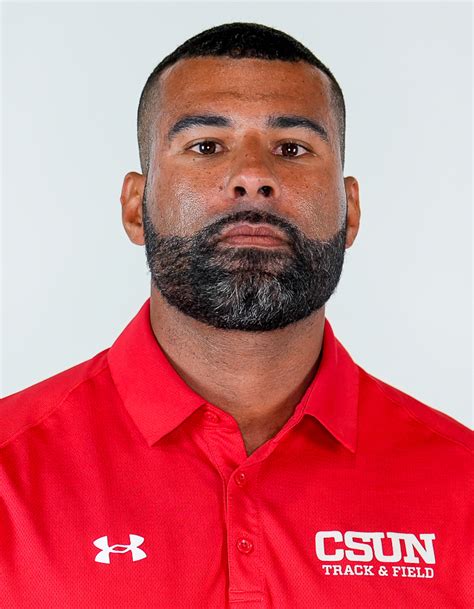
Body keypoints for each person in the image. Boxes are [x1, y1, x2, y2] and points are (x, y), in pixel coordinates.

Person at [0, 21, 472, 609]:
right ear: (134, 207)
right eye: (206, 146)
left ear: (349, 210)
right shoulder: (10, 474)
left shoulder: (462, 484)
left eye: (291, 148)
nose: (253, 177)